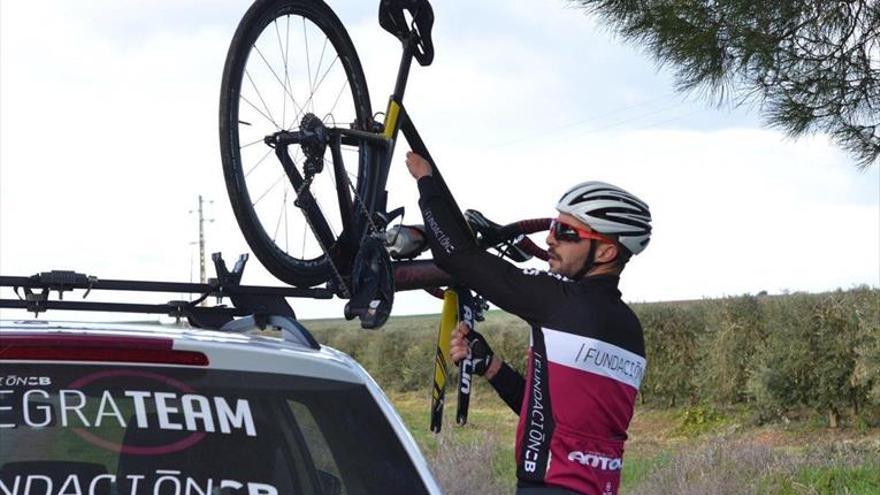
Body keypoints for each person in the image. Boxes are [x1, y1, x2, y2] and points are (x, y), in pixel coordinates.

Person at [405, 151, 651, 495]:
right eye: (553, 226)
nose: (550, 238)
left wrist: (425, 181)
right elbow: (548, 417)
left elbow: (457, 257)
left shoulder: (561, 301)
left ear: (607, 252)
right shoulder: (630, 330)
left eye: (566, 231)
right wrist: (491, 366)